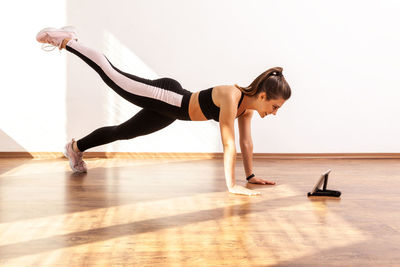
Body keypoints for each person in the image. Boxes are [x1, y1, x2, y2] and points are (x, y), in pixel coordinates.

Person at [36, 26, 292, 196]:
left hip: (171, 111)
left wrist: (251, 176)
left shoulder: (245, 109)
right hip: (166, 97)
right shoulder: (231, 95)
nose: (275, 112)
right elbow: (229, 144)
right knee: (112, 74)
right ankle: (67, 41)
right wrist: (233, 186)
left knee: (123, 132)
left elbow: (245, 143)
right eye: (275, 106)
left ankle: (75, 148)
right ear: (262, 95)